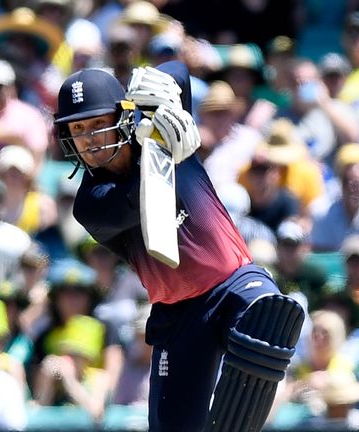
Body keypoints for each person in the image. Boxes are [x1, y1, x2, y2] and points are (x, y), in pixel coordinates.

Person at [53, 60, 304, 431]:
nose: (89, 139)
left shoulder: (157, 121)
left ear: (122, 116)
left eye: (96, 123)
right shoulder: (91, 202)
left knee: (264, 316)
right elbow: (142, 194)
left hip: (235, 282)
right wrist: (166, 150)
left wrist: (155, 88)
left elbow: (179, 72)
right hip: (179, 316)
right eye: (78, 129)